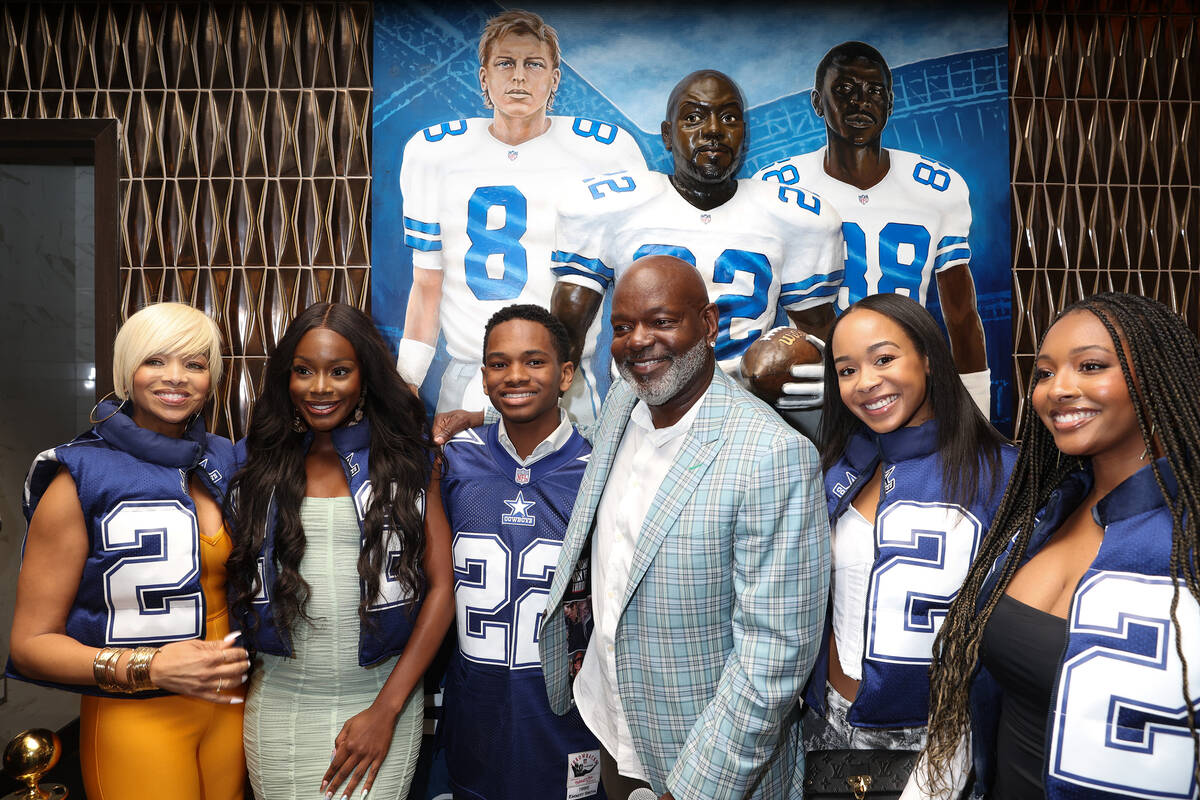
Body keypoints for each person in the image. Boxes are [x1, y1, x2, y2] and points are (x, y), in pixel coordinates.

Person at [539, 255, 830, 799]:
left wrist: (696, 788)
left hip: (704, 762)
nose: (638, 341)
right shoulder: (626, 400)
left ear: (710, 324)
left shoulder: (772, 455)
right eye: (622, 327)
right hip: (612, 728)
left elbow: (774, 658)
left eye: (662, 321)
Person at [912, 292, 1200, 799]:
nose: (1058, 389)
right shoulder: (1040, 514)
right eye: (1044, 373)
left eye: (1091, 366)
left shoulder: (1188, 537)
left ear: (1160, 378)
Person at [7, 302, 249, 800]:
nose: (176, 378)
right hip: (136, 715)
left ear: (212, 378)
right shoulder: (80, 475)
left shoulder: (225, 458)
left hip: (231, 709)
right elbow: (30, 645)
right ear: (127, 371)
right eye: (155, 361)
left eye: (195, 364)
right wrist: (149, 667)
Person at [225, 302, 454, 800]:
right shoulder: (255, 463)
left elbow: (442, 589)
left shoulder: (409, 460)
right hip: (282, 702)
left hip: (380, 701)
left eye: (339, 371)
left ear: (365, 377)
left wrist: (386, 709)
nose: (320, 387)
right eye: (304, 371)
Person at [395, 9, 646, 423]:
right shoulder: (433, 154)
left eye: (533, 64)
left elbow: (632, 285)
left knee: (573, 488)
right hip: (470, 374)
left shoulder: (605, 152)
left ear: (555, 78)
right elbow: (427, 283)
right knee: (462, 486)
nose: (518, 77)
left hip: (569, 378)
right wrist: (407, 380)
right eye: (505, 63)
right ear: (483, 78)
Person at [551, 69, 843, 413]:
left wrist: (833, 388)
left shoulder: (793, 217)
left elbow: (821, 334)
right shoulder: (613, 207)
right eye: (693, 117)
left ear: (744, 135)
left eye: (730, 117)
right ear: (667, 134)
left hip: (749, 409)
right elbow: (565, 335)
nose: (714, 130)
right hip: (642, 406)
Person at [807, 294, 1014, 760]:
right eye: (846, 370)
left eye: (883, 358)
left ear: (927, 358)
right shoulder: (837, 468)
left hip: (941, 741)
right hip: (828, 728)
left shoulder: (1001, 474)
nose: (866, 382)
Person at [755, 41, 991, 415]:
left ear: (890, 103)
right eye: (844, 90)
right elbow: (764, 306)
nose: (860, 102)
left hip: (907, 382)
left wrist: (978, 411)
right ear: (818, 102)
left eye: (874, 91)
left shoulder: (937, 187)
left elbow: (961, 316)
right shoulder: (778, 187)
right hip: (817, 385)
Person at [439, 303, 604, 800]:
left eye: (534, 361)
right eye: (498, 363)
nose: (515, 375)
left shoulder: (601, 468)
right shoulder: (451, 457)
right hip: (475, 711)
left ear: (566, 373)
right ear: (484, 375)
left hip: (568, 719)